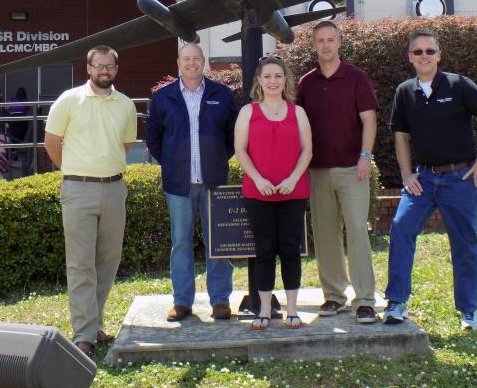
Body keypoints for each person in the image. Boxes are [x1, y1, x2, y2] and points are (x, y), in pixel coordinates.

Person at [383, 28, 477, 331]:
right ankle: (397, 302)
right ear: (410, 57)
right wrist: (406, 174)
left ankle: (468, 311)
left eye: (429, 51)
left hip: (460, 178)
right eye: (418, 51)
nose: (424, 56)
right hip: (423, 178)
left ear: (439, 55)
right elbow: (400, 135)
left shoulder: (458, 85)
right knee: (400, 229)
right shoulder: (404, 91)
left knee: (464, 242)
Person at [44, 45, 137, 356]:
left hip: (114, 189)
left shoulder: (125, 105)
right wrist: (74, 169)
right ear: (88, 68)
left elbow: (123, 146)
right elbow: (52, 142)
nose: (104, 71)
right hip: (78, 189)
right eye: (98, 66)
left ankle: (93, 324)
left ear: (116, 69)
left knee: (108, 261)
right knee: (81, 264)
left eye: (109, 66)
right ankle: (84, 335)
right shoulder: (69, 100)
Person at [146, 43, 239, 322]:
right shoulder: (163, 97)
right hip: (179, 184)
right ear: (178, 62)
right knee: (181, 244)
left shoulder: (221, 95)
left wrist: (217, 159)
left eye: (196, 59)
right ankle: (182, 301)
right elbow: (154, 138)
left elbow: (233, 136)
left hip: (214, 181)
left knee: (218, 242)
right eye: (186, 59)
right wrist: (174, 163)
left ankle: (220, 299)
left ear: (204, 62)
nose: (191, 63)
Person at [297, 20, 380, 324]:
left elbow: (370, 121)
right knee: (325, 234)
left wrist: (365, 157)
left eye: (331, 39)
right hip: (317, 171)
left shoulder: (356, 77)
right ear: (314, 44)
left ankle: (365, 299)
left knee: (357, 231)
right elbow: (301, 126)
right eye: (320, 40)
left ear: (339, 42)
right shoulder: (306, 83)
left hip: (352, 169)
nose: (326, 45)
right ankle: (334, 296)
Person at [234, 56, 312, 330]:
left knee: (290, 250)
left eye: (278, 76)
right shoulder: (248, 112)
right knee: (264, 251)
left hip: (293, 191)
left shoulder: (297, 112)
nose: (272, 81)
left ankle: (292, 310)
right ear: (259, 80)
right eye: (267, 76)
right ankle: (264, 310)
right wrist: (258, 178)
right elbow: (240, 150)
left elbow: (307, 151)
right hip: (258, 192)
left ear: (285, 79)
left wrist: (293, 178)